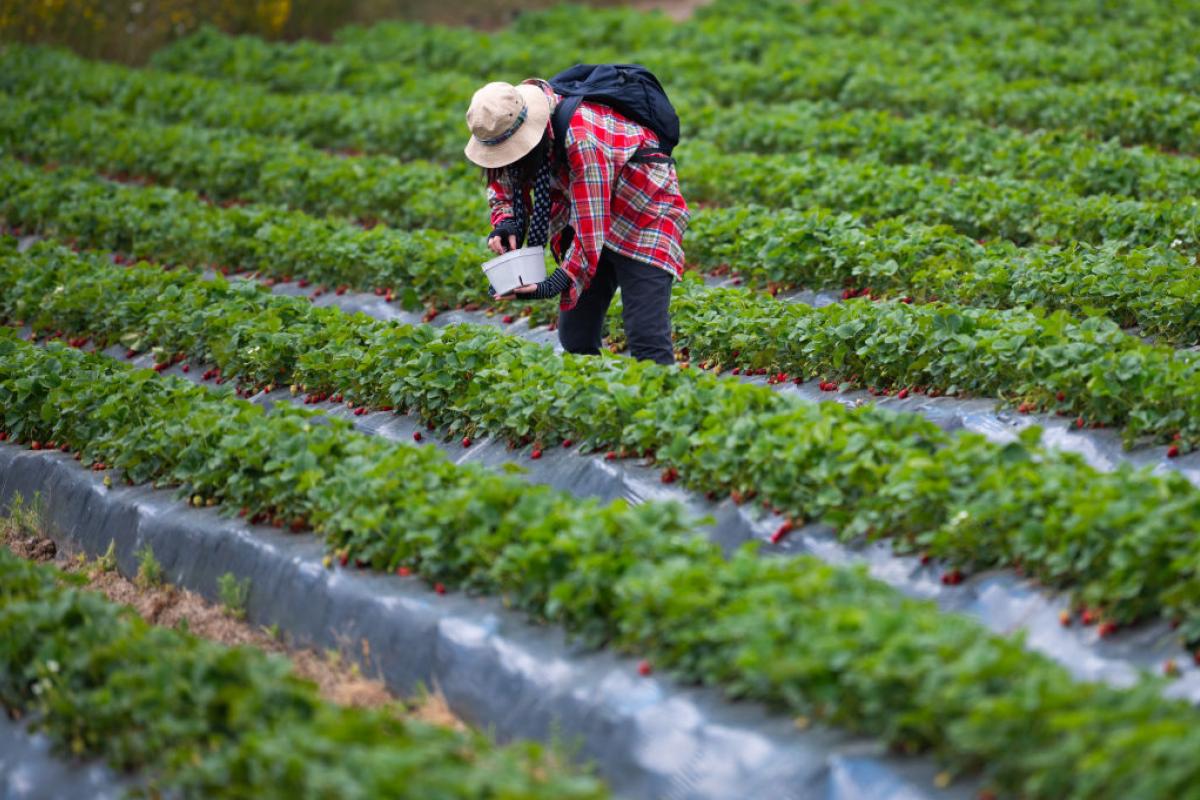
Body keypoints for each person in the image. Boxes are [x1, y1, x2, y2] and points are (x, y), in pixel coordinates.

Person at [463, 79, 689, 366]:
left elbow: (588, 232)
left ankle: (666, 402)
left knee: (645, 336)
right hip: (589, 211)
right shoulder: (506, 121)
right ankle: (595, 401)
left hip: (644, 213)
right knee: (576, 337)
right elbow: (504, 179)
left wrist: (549, 285)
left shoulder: (582, 138)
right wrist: (506, 222)